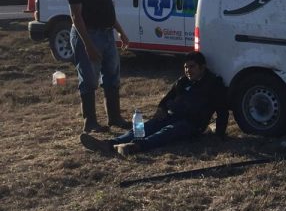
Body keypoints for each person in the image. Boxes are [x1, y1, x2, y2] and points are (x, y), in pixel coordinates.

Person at [79, 51, 228, 157]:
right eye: (186, 67)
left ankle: (135, 147)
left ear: (202, 67)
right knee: (146, 126)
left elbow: (222, 111)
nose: (188, 70)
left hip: (192, 124)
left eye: (192, 66)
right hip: (173, 116)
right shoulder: (183, 82)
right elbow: (166, 99)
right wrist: (162, 109)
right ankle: (108, 144)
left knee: (167, 132)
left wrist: (219, 135)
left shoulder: (213, 84)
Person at [66, 0, 131, 132]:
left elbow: (108, 9)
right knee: (89, 80)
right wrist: (88, 45)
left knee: (112, 76)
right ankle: (90, 122)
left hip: (106, 34)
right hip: (88, 35)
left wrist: (121, 31)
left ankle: (115, 118)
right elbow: (76, 17)